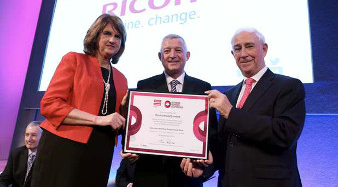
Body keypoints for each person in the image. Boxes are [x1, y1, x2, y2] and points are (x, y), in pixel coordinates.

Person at [31, 14, 128, 187]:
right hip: (64, 148)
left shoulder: (121, 79)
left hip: (100, 153)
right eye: (107, 33)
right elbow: (49, 104)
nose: (112, 39)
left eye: (117, 36)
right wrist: (98, 119)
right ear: (96, 35)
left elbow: (118, 121)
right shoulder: (75, 60)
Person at [206, 28, 306, 187]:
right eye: (237, 49)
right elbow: (226, 145)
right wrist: (208, 166)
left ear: (264, 49)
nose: (243, 53)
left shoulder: (288, 86)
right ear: (233, 55)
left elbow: (284, 134)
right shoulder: (230, 94)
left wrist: (231, 113)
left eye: (249, 46)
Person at [118, 34, 217, 187]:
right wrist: (128, 148)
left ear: (187, 55)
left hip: (187, 175)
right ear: (160, 56)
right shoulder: (145, 86)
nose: (172, 55)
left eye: (178, 50)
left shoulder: (202, 88)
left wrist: (204, 163)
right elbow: (135, 128)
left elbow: (212, 133)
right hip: (149, 173)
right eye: (167, 51)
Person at [0, 121, 42, 187]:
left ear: (42, 137)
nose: (29, 139)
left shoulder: (48, 158)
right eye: (27, 134)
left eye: (33, 135)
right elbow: (4, 179)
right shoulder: (16, 154)